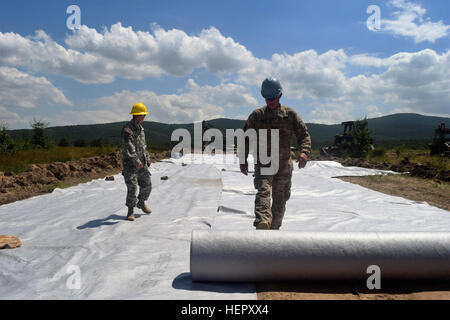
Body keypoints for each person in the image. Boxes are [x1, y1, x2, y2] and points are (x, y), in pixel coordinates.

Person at [240, 78, 311, 230]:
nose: (270, 101)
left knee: (280, 199)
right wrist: (242, 159)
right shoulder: (257, 116)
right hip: (264, 163)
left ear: (280, 96)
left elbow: (303, 135)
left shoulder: (290, 115)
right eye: (267, 99)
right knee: (263, 191)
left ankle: (273, 230)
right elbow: (245, 138)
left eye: (273, 98)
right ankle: (263, 222)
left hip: (283, 165)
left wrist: (304, 152)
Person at [121, 103, 153, 221]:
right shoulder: (127, 128)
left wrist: (147, 158)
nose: (144, 117)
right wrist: (136, 161)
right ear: (136, 115)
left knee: (147, 184)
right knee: (132, 188)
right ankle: (130, 211)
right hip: (130, 165)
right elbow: (128, 146)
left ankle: (141, 202)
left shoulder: (141, 128)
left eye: (144, 115)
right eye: (142, 115)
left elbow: (144, 146)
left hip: (142, 164)